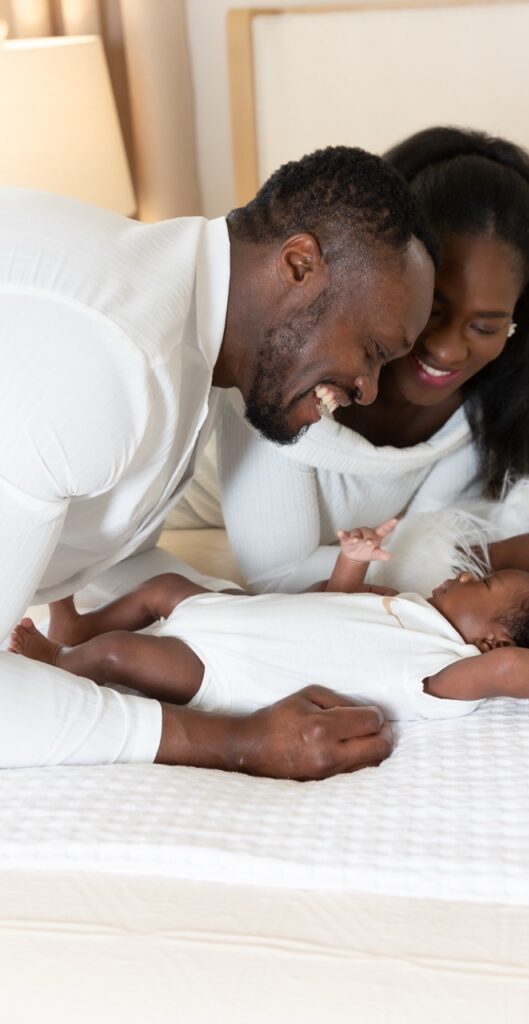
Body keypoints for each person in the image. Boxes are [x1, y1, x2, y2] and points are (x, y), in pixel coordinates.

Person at [0, 145, 437, 777]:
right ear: (298, 265)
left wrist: (253, 626)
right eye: (372, 349)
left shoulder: (191, 340)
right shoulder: (114, 363)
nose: (368, 390)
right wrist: (237, 742)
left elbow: (106, 556)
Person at [216, 127, 529, 599]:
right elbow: (276, 578)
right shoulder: (281, 380)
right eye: (432, 312)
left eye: (485, 327)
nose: (448, 352)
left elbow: (430, 528)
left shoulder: (470, 414)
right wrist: (499, 557)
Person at [9, 519, 529, 725]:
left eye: (481, 586)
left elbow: (511, 669)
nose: (465, 575)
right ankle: (79, 629)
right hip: (234, 615)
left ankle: (65, 662)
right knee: (163, 589)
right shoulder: (409, 606)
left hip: (229, 669)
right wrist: (351, 561)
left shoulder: (444, 673)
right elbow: (334, 606)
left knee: (122, 654)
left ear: (490, 642)